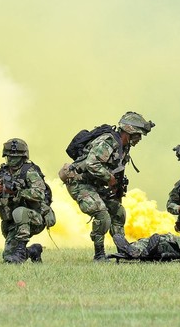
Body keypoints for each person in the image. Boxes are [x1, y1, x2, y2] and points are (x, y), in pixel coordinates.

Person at [61, 112, 154, 261]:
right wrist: (109, 178)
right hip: (79, 182)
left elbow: (118, 170)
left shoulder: (124, 147)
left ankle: (122, 250)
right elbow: (92, 163)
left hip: (95, 185)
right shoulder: (108, 142)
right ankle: (99, 255)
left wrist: (117, 189)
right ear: (129, 131)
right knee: (101, 213)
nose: (139, 139)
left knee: (118, 212)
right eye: (138, 135)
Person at [0, 138, 52, 264]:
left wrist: (17, 191)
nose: (12, 159)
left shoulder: (30, 172)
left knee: (20, 212)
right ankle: (33, 251)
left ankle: (21, 250)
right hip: (11, 223)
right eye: (9, 156)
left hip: (35, 217)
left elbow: (40, 194)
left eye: (16, 157)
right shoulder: (1, 173)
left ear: (23, 157)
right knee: (9, 259)